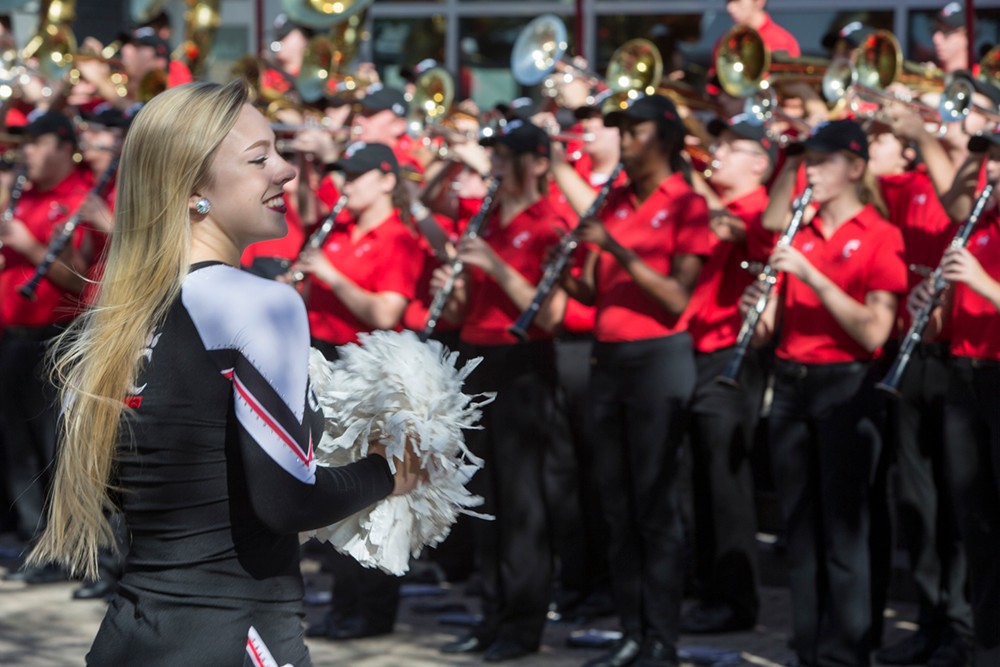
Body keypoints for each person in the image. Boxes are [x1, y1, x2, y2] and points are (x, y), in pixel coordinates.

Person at [27, 80, 418, 666]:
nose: (285, 171)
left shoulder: (109, 319)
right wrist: (389, 473)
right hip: (236, 636)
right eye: (260, 158)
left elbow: (115, 491)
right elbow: (287, 502)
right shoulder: (258, 303)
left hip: (128, 638)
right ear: (192, 190)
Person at [561, 94, 712, 667]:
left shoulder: (687, 204)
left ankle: (661, 641)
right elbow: (593, 293)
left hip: (659, 361)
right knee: (617, 506)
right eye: (621, 132)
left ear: (667, 138)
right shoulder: (617, 198)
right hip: (610, 360)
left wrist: (616, 249)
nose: (625, 141)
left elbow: (676, 300)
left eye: (636, 131)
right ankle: (631, 634)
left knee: (654, 507)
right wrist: (567, 263)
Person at [754, 119, 907, 667]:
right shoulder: (799, 227)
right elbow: (772, 324)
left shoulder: (880, 234)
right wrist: (763, 305)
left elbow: (873, 332)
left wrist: (813, 277)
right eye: (806, 162)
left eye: (821, 161)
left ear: (856, 168)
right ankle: (807, 648)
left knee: (845, 529)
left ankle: (849, 652)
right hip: (792, 383)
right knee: (798, 527)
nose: (810, 171)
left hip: (847, 385)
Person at [437, 120, 569, 662]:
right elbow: (467, 306)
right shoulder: (485, 218)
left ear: (538, 163)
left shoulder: (550, 223)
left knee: (521, 503)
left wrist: (494, 265)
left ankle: (522, 624)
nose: (493, 167)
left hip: (522, 362)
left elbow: (553, 311)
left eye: (506, 157)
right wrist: (453, 289)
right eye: (492, 157)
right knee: (483, 499)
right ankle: (491, 614)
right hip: (477, 356)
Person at [292, 140, 423, 642]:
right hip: (331, 366)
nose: (348, 185)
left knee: (374, 493)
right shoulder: (341, 231)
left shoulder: (399, 238)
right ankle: (345, 604)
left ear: (388, 179)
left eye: (360, 175)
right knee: (334, 485)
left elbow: (386, 313)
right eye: (345, 175)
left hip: (372, 372)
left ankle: (370, 610)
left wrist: (330, 274)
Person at [867, 122, 974, 667]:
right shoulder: (908, 184)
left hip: (964, 361)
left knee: (962, 503)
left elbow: (958, 204)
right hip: (916, 348)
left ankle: (963, 624)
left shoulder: (977, 188)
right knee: (917, 499)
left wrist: (926, 135)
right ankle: (932, 618)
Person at [680, 115, 778, 634]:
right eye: (716, 144)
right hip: (694, 350)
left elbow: (753, 234)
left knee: (725, 482)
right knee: (699, 477)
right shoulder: (715, 206)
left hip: (731, 354)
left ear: (760, 162)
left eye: (731, 147)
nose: (717, 152)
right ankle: (706, 589)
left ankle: (735, 599)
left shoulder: (760, 208)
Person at [912, 129, 1000, 666]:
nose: (990, 174)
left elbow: (988, 292)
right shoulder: (975, 226)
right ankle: (987, 644)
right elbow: (944, 324)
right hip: (967, 373)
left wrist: (986, 284)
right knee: (976, 521)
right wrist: (930, 307)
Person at [0, 111, 94, 585]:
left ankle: (67, 549)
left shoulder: (78, 198)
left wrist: (32, 247)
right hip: (13, 337)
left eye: (35, 144)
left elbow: (77, 277)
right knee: (18, 449)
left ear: (61, 145)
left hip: (56, 339)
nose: (26, 153)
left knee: (56, 449)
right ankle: (37, 541)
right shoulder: (25, 196)